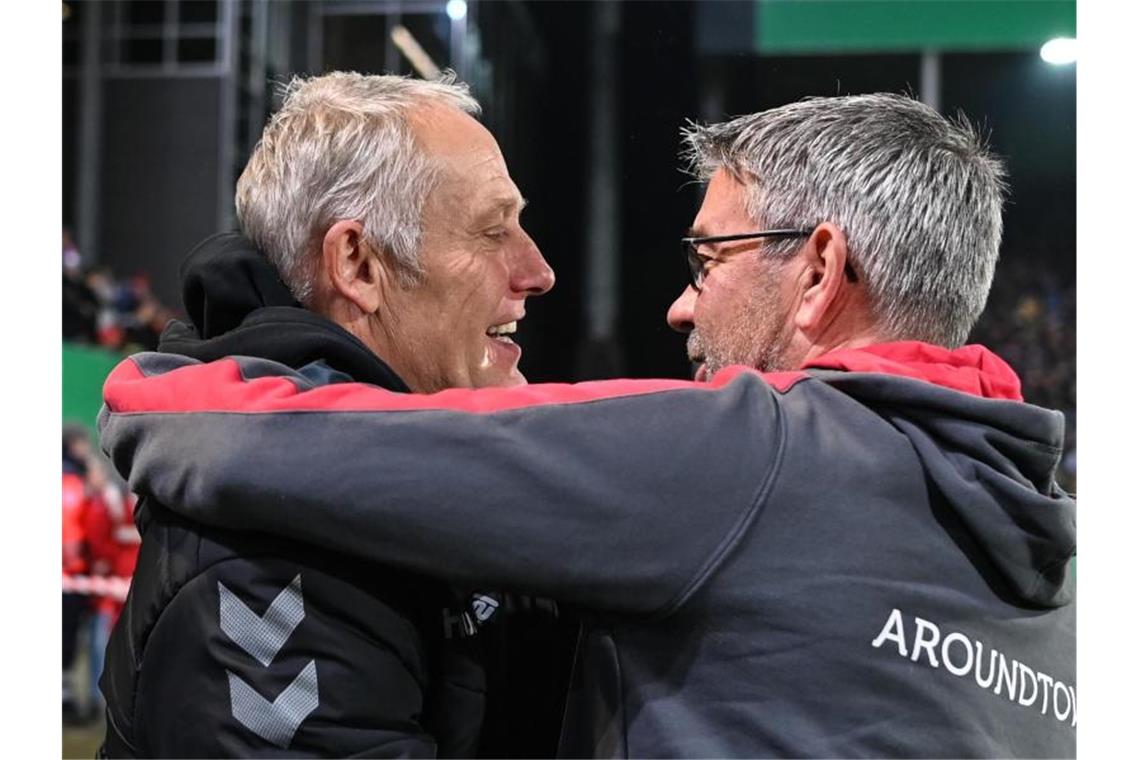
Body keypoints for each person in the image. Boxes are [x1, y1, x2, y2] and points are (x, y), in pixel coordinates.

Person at [100, 94, 1076, 757]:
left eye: (708, 259)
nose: (680, 309)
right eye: (494, 231)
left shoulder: (754, 455)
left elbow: (279, 442)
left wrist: (153, 392)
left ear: (818, 272)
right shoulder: (1067, 563)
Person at [97, 71, 559, 757]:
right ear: (358, 265)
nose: (537, 270)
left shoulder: (374, 497)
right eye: (493, 231)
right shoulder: (261, 560)